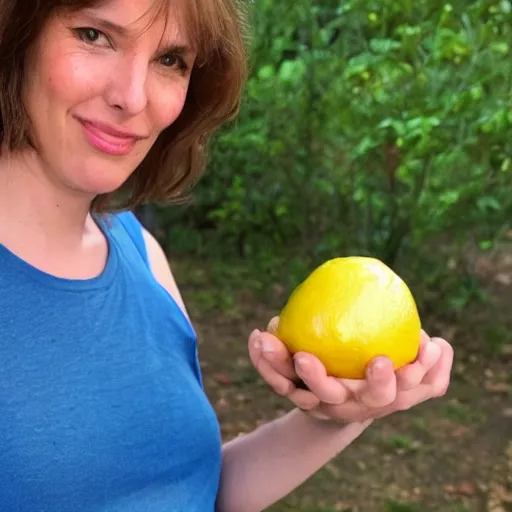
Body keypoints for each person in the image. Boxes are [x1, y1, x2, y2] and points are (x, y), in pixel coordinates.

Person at [0, 0, 454, 511]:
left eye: (171, 61)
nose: (132, 96)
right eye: (93, 35)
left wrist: (332, 419)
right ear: (18, 35)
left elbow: (192, 491)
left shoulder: (139, 252)